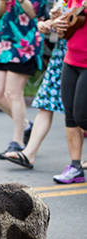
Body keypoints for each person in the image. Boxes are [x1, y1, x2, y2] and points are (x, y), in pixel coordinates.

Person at [3, 3, 69, 169]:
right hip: (62, 54)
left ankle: (76, 162)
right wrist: (47, 24)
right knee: (45, 103)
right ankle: (28, 154)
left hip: (80, 54)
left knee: (77, 111)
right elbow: (51, 23)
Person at [0, 0, 47, 159]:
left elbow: (34, 13)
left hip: (25, 42)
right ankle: (26, 125)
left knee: (13, 93)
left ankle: (17, 142)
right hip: (2, 41)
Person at [52, 0, 87, 184]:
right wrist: (56, 24)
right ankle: (75, 167)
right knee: (70, 115)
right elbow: (61, 25)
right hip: (71, 60)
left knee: (82, 116)